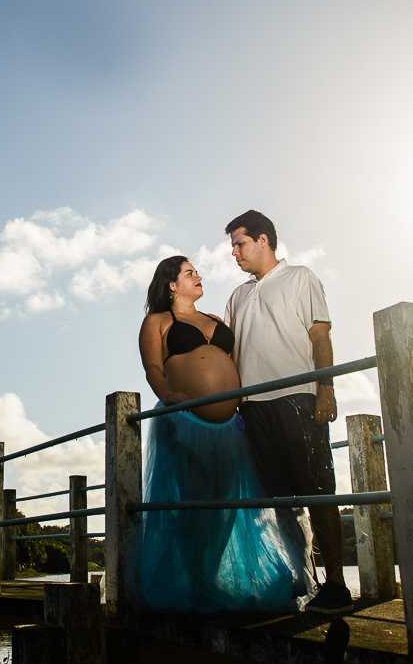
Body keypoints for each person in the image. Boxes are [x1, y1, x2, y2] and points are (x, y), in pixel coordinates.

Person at [135, 255, 310, 613]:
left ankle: (208, 579)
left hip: (231, 428)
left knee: (225, 509)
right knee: (195, 506)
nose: (199, 277)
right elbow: (153, 366)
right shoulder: (157, 321)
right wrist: (166, 396)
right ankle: (187, 583)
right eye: (190, 273)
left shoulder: (215, 319)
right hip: (186, 423)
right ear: (171, 284)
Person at [223, 209, 353, 614]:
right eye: (232, 246)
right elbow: (229, 354)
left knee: (319, 491)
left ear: (263, 240)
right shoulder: (238, 295)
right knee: (276, 499)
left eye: (239, 244)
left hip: (298, 398)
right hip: (252, 407)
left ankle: (337, 586)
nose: (234, 253)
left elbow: (320, 334)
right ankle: (302, 579)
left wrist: (325, 387)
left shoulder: (300, 278)